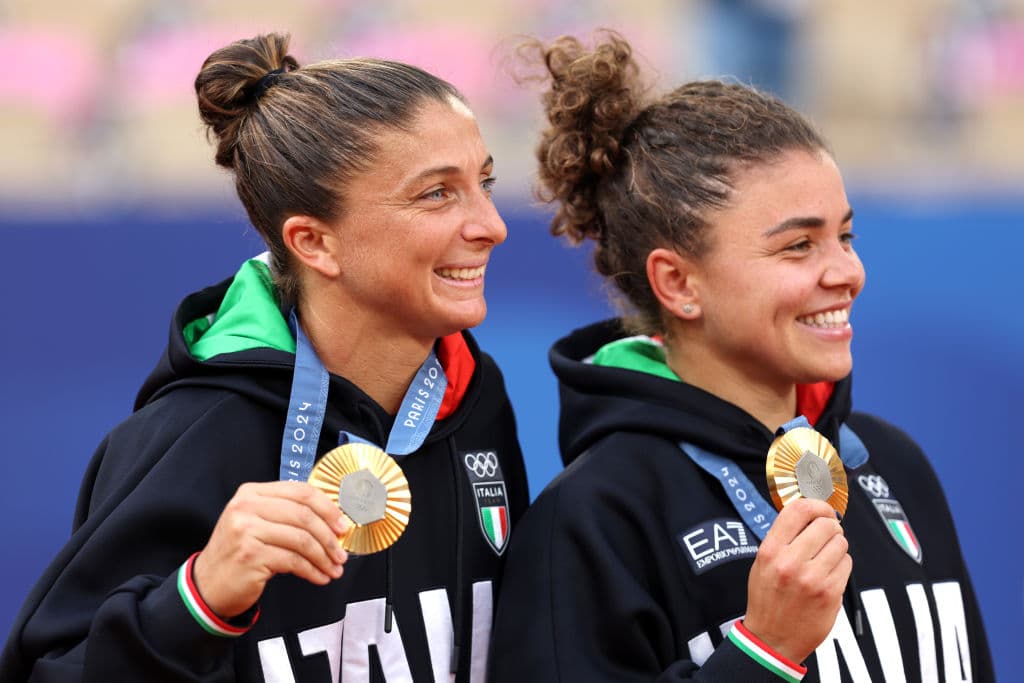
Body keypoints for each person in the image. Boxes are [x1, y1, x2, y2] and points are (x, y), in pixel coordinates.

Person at [1, 32, 528, 682]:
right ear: (314, 241)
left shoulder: (476, 399)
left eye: (485, 182)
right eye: (437, 194)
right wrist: (195, 603)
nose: (492, 225)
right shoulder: (195, 432)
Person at [489, 32, 992, 682]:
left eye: (844, 235)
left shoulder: (893, 461)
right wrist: (763, 654)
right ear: (678, 283)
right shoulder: (593, 520)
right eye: (798, 246)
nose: (846, 271)